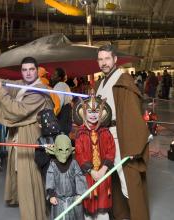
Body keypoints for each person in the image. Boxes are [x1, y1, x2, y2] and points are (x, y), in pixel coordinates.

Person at [0, 57, 54, 220]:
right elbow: (7, 83)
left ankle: (34, 215)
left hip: (31, 138)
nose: (28, 73)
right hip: (18, 136)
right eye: (24, 70)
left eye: (31, 69)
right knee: (20, 175)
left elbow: (18, 110)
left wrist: (0, 90)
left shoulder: (39, 91)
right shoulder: (21, 85)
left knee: (30, 179)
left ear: (37, 70)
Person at [96, 44, 150, 220]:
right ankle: (121, 216)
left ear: (115, 59)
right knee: (113, 183)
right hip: (105, 137)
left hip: (122, 137)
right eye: (100, 59)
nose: (104, 63)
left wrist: (134, 144)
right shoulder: (100, 83)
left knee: (129, 183)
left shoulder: (123, 80)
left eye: (107, 58)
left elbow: (134, 112)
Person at [74, 90, 115, 220]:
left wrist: (103, 170)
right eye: (90, 112)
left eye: (96, 111)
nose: (93, 115)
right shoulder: (80, 133)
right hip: (88, 176)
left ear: (101, 113)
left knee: (103, 208)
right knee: (89, 205)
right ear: (84, 113)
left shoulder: (106, 132)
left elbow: (111, 151)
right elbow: (79, 154)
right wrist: (91, 171)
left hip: (103, 175)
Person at [46, 134, 87, 220]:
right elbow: (50, 180)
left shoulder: (74, 163)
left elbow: (79, 178)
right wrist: (51, 195)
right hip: (58, 201)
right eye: (60, 149)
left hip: (73, 200)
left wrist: (80, 194)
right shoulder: (53, 165)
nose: (64, 152)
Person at [34, 108, 61, 181]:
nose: (51, 124)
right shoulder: (41, 141)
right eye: (48, 122)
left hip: (64, 174)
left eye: (52, 121)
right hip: (49, 176)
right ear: (40, 125)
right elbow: (39, 161)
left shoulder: (62, 136)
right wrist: (47, 152)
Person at [50, 67, 73, 135]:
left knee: (61, 138)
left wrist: (52, 116)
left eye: (54, 75)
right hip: (66, 116)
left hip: (62, 116)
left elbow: (58, 103)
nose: (52, 76)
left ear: (59, 78)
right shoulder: (64, 85)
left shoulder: (60, 85)